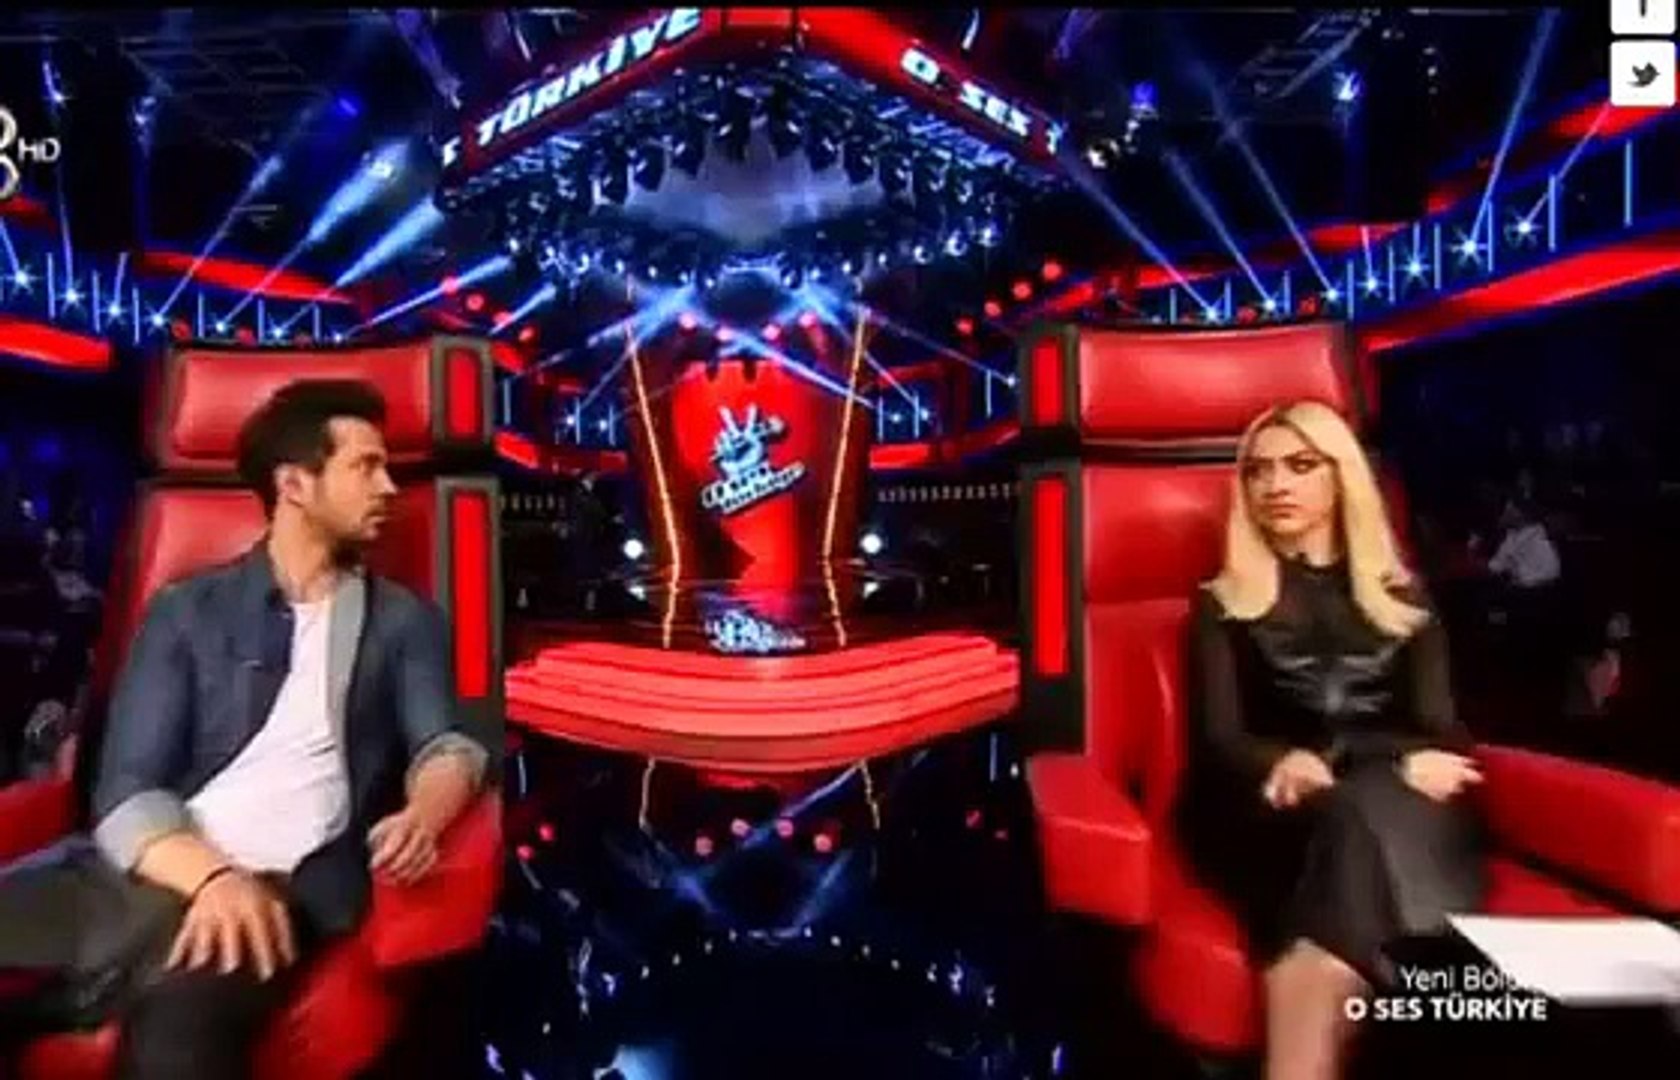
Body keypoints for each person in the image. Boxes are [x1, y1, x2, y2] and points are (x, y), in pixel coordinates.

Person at [0, 379, 489, 1079]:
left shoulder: (403, 621)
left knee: (174, 1045)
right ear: (294, 484)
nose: (387, 487)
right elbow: (126, 791)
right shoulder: (185, 609)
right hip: (150, 866)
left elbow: (447, 747)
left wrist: (424, 813)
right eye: (365, 466)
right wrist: (213, 879)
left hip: (284, 892)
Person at [1177, 400, 1485, 1080]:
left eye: (1299, 465)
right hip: (1262, 804)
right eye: (1258, 471)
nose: (1275, 485)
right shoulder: (1221, 602)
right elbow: (1222, 741)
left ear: (1341, 476)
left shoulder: (1405, 599)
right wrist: (1299, 762)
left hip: (1381, 796)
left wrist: (1359, 759)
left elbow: (1443, 733)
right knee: (1344, 816)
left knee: (1371, 813)